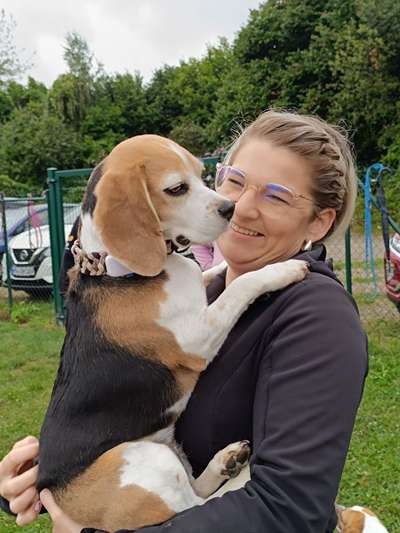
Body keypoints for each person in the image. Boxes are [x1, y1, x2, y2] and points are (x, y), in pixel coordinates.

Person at [0, 110, 368, 533]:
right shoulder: (193, 290)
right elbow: (114, 406)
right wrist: (38, 480)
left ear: (320, 222)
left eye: (276, 196)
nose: (239, 207)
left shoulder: (319, 320)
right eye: (234, 180)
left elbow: (288, 510)